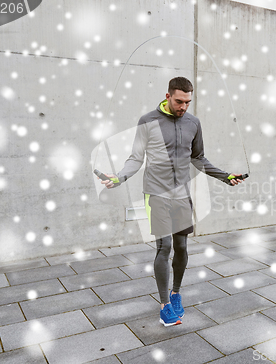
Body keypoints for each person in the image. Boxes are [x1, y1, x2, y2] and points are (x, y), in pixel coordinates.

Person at [100, 77, 244, 326]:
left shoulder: (193, 123)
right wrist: (119, 177)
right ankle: (165, 304)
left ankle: (176, 293)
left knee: (182, 247)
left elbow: (198, 158)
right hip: (156, 193)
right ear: (167, 96)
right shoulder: (148, 121)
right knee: (163, 247)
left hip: (181, 194)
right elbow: (135, 158)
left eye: (188, 102)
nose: (184, 107)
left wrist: (225, 176)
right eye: (179, 101)